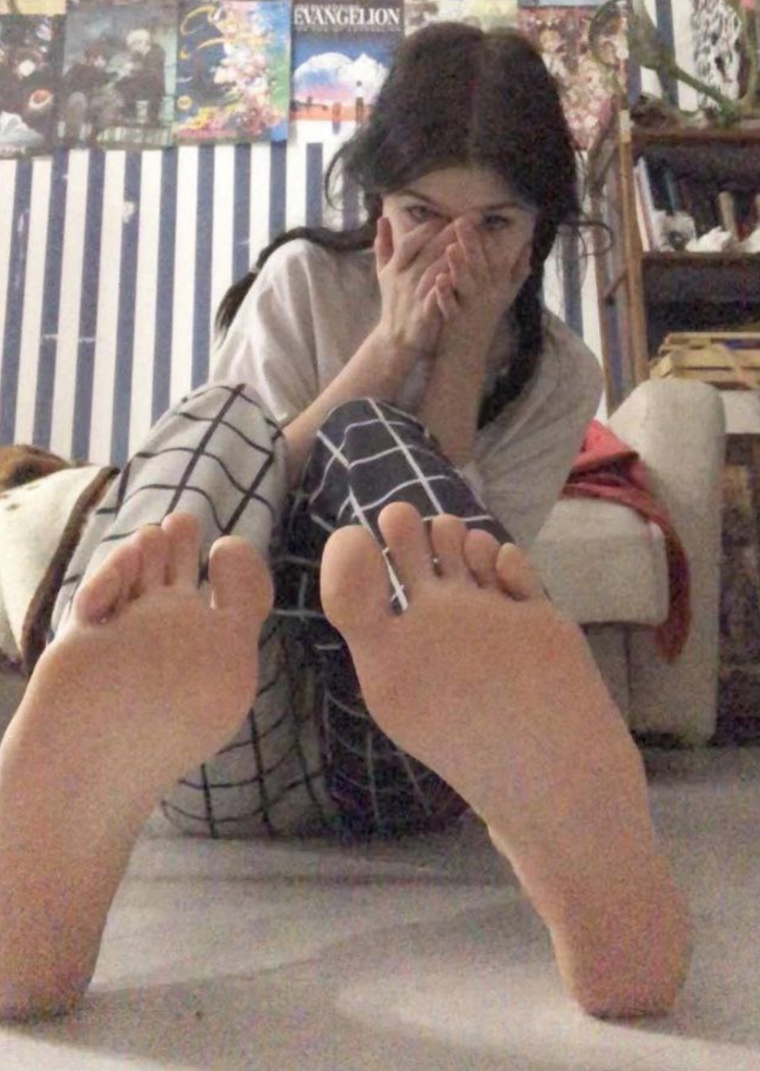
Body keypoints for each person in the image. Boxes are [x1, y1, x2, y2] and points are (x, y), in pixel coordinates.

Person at [0, 22, 691, 1023]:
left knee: (392, 476)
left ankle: (579, 854)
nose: (454, 252)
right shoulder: (302, 286)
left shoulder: (559, 377)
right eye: (422, 214)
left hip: (400, 761)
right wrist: (388, 346)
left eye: (494, 224)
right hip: (223, 735)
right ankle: (66, 818)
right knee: (222, 420)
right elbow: (248, 490)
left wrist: (458, 362)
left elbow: (472, 577)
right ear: (377, 206)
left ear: (540, 230)